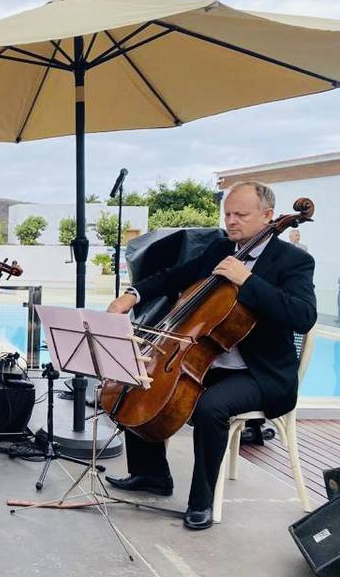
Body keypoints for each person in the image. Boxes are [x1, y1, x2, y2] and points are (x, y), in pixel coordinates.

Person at [104, 181, 316, 530]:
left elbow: (302, 315)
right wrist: (132, 295)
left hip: (260, 374)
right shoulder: (221, 248)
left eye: (241, 215)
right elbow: (175, 277)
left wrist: (248, 281)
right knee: (141, 377)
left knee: (210, 406)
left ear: (267, 216)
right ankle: (151, 475)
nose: (231, 221)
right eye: (228, 213)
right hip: (210, 361)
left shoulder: (293, 260)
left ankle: (201, 502)